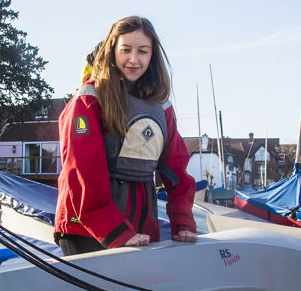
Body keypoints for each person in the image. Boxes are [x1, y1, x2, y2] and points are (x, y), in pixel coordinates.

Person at [55, 16, 197, 254]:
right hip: (90, 230)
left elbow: (176, 168)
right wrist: (113, 229)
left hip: (140, 228)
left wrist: (182, 219)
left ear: (152, 56)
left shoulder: (161, 107)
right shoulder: (87, 101)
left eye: (143, 51)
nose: (134, 59)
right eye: (126, 50)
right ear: (113, 51)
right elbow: (82, 170)